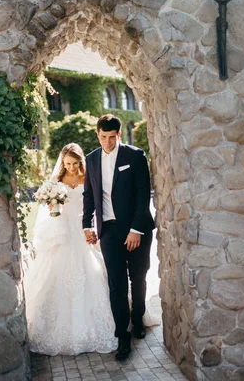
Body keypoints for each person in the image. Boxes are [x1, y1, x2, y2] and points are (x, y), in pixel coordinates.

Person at [24, 143, 117, 356]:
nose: (72, 168)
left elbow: (97, 205)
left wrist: (92, 228)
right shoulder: (56, 182)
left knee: (93, 273)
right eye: (68, 164)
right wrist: (51, 207)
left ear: (81, 162)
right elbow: (49, 211)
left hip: (84, 230)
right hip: (63, 231)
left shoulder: (89, 178)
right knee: (56, 274)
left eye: (75, 163)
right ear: (62, 163)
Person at [83, 114, 156, 360]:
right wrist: (86, 225)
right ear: (97, 134)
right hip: (109, 232)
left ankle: (138, 320)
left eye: (111, 137)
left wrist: (136, 229)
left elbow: (143, 194)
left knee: (138, 277)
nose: (107, 142)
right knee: (116, 283)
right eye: (103, 137)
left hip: (136, 230)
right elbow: (89, 196)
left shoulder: (134, 156)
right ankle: (122, 335)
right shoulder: (91, 159)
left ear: (119, 135)